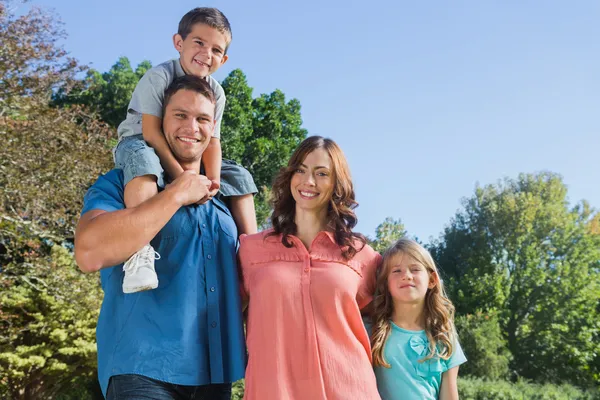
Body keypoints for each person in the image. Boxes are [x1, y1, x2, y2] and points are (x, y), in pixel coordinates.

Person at [74, 76, 246, 399]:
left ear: (214, 127)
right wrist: (175, 195)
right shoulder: (124, 182)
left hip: (216, 376)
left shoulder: (226, 205)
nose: (191, 127)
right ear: (160, 120)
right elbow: (87, 251)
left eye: (202, 119)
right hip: (141, 370)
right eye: (180, 115)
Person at [114, 7, 258, 293]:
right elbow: (153, 132)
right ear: (179, 43)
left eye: (216, 50)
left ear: (224, 58)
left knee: (239, 176)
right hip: (142, 140)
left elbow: (212, 141)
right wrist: (183, 179)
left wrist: (212, 182)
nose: (207, 54)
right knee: (144, 163)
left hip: (191, 149)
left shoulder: (216, 92)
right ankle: (139, 250)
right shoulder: (159, 78)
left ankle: (254, 258)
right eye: (199, 43)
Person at [238, 136, 381, 400]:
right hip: (273, 392)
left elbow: (395, 318)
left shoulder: (363, 255)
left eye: (321, 173)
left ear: (337, 183)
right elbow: (223, 315)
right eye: (300, 170)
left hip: (350, 389)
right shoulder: (251, 249)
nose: (308, 181)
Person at [369, 238, 467, 400]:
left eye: (415, 269)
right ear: (385, 283)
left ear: (432, 280)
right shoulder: (372, 330)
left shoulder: (445, 336)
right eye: (396, 271)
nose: (406, 276)